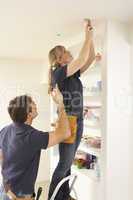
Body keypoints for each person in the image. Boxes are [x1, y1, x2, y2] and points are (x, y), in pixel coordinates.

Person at [48, 19, 95, 200]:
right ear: (60, 59)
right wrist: (87, 35)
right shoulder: (58, 72)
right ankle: (52, 197)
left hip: (78, 119)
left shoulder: (72, 73)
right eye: (66, 52)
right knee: (64, 163)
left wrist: (91, 38)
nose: (70, 53)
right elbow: (82, 58)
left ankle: (64, 195)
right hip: (69, 120)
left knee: (68, 164)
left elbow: (88, 59)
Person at [0, 86, 71, 200]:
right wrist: (60, 103)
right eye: (32, 103)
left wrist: (7, 188)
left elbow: (2, 160)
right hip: (19, 197)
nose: (35, 104)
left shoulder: (5, 131)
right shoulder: (32, 136)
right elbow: (65, 133)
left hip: (6, 192)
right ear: (29, 114)